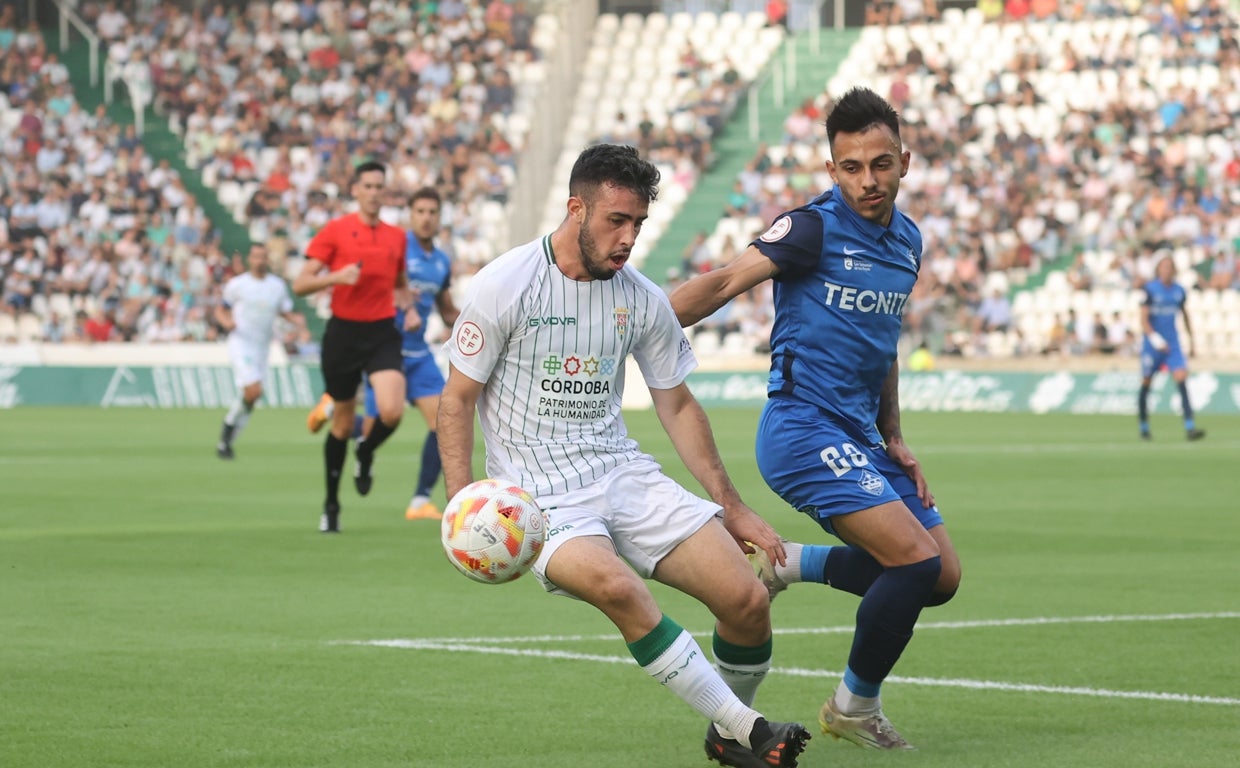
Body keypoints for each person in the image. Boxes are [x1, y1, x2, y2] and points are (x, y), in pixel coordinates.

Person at [438, 144, 810, 768]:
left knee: (746, 601)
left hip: (621, 471)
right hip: (536, 497)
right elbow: (457, 399)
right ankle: (748, 728)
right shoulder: (505, 284)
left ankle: (728, 733)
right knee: (618, 586)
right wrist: (464, 505)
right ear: (576, 208)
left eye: (638, 223)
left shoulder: (639, 297)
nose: (628, 237)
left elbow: (679, 406)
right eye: (616, 220)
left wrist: (733, 506)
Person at [670, 87, 962, 750]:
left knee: (939, 576)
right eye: (852, 167)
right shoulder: (812, 228)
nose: (868, 180)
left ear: (905, 162)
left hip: (861, 435)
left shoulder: (908, 240)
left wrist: (894, 433)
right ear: (832, 170)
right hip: (802, 430)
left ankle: (788, 564)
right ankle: (853, 707)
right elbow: (720, 283)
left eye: (881, 164)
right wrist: (625, 322)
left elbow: (882, 342)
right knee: (912, 565)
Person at [307, 187, 460, 521]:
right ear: (410, 215)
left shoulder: (442, 261)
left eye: (432, 212)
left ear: (440, 216)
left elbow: (446, 309)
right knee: (378, 423)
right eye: (419, 211)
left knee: (443, 423)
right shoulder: (395, 244)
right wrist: (401, 304)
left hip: (418, 355)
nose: (426, 218)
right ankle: (337, 410)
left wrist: (481, 323)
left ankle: (420, 501)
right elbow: (375, 284)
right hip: (385, 348)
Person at [293, 161, 410, 533]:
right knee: (341, 424)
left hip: (381, 332)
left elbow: (401, 282)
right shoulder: (336, 231)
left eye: (380, 186)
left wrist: (408, 307)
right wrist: (336, 277)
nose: (374, 192)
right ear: (356, 190)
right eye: (368, 186)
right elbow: (300, 284)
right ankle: (331, 505)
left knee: (391, 411)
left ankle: (366, 450)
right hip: (343, 334)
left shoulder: (396, 236)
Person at [214, 243, 298, 459]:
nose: (259, 261)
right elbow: (221, 309)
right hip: (242, 343)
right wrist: (226, 322)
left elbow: (284, 311)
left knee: (252, 396)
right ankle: (227, 430)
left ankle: (227, 440)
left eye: (263, 257)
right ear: (249, 259)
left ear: (267, 259)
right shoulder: (238, 284)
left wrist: (297, 322)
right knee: (253, 391)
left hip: (263, 346)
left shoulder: (277, 286)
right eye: (255, 257)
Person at [1138, 255, 1205, 441]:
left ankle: (1190, 427)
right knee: (1146, 383)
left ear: (1174, 270)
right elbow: (1143, 319)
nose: (1167, 270)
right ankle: (1144, 426)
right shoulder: (1150, 290)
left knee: (1181, 379)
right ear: (1158, 269)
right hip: (1153, 345)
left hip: (1173, 343)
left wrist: (1192, 342)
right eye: (1164, 267)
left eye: (1170, 267)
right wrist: (1155, 339)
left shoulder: (1179, 291)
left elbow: (1185, 315)